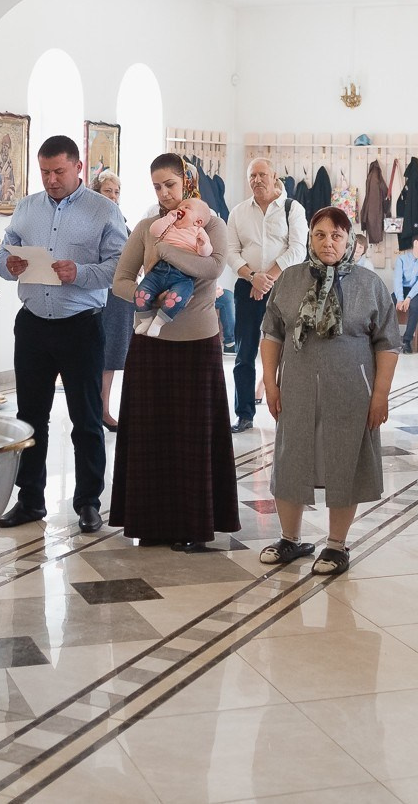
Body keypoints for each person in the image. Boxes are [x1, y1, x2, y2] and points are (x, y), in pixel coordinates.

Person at [0, 136, 130, 535]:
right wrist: (10, 264)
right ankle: (30, 500)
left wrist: (81, 273)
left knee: (85, 418)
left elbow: (120, 267)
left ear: (78, 168)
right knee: (29, 415)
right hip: (33, 323)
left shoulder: (104, 211)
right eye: (45, 172)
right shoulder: (26, 208)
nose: (51, 180)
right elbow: (3, 255)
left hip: (81, 325)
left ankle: (88, 501)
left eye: (59, 171)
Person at [108, 152, 241, 550]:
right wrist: (145, 299)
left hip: (197, 343)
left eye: (170, 184)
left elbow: (212, 268)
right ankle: (150, 522)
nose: (165, 194)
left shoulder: (211, 223)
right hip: (151, 343)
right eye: (157, 187)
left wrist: (164, 254)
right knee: (151, 433)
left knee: (192, 435)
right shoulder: (148, 227)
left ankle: (194, 526)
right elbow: (120, 281)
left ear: (186, 181)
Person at [258, 207, 398, 576]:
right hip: (298, 388)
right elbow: (271, 334)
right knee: (291, 458)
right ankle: (290, 539)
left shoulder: (369, 284)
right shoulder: (289, 280)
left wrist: (380, 395)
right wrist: (270, 383)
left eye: (336, 236)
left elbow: (388, 344)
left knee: (344, 461)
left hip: (351, 392)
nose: (328, 243)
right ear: (309, 239)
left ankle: (336, 546)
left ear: (350, 240)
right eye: (320, 235)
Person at [225, 158, 307, 432]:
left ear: (274, 177)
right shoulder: (238, 212)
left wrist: (267, 278)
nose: (257, 180)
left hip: (284, 286)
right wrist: (253, 277)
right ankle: (244, 413)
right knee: (244, 352)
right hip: (247, 287)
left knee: (289, 351)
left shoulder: (292, 208)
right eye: (252, 176)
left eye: (262, 175)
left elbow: (298, 249)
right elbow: (230, 252)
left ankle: (288, 410)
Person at [133, 195, 213, 337]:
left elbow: (206, 253)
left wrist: (203, 245)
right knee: (141, 293)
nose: (180, 209)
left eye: (187, 208)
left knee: (177, 298)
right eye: (180, 207)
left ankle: (158, 322)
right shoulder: (169, 226)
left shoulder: (198, 232)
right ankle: (145, 319)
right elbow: (154, 231)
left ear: (198, 221)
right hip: (159, 270)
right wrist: (168, 218)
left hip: (183, 275)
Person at [95, 171, 130, 432]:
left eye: (116, 191)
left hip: (119, 297)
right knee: (95, 354)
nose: (113, 196)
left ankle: (104, 409)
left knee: (112, 355)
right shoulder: (89, 219)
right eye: (108, 190)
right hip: (97, 293)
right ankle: (94, 409)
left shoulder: (121, 219)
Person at [392, 233, 418, 353]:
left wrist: (408, 298)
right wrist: (400, 299)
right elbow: (397, 280)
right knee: (387, 304)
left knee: (415, 306)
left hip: (416, 292)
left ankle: (407, 341)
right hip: (401, 290)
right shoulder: (401, 260)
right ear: (416, 243)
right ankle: (390, 339)